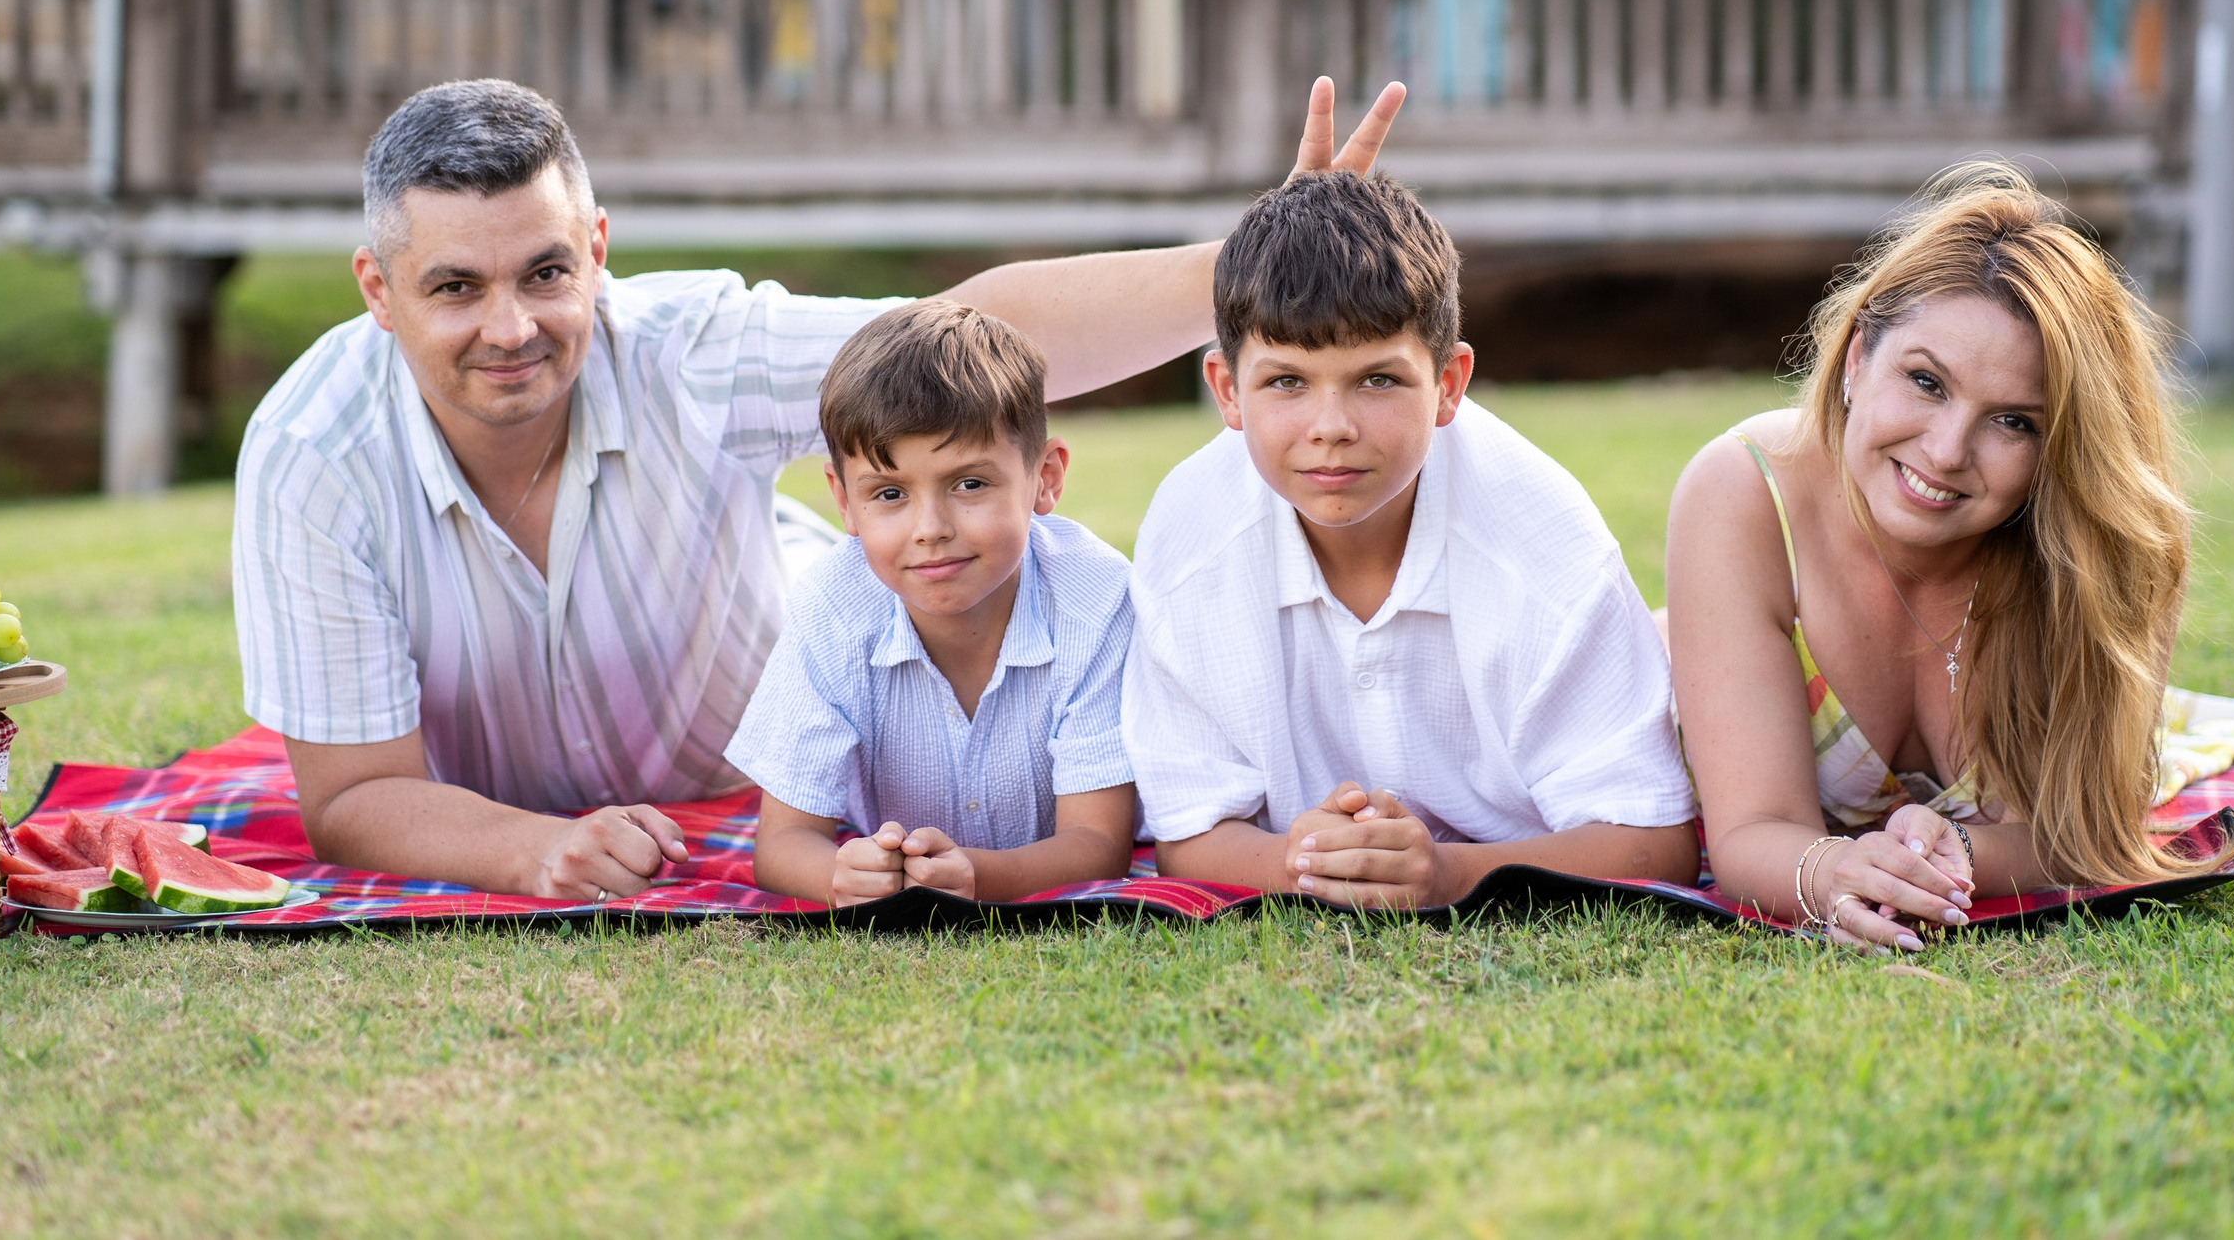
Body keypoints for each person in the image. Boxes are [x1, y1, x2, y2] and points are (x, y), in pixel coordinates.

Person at [233, 73, 1402, 902]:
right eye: (453, 288)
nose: (512, 327)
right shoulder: (309, 456)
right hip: (506, 796)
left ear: (596, 248)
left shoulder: (686, 348)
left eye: (545, 272)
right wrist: (527, 850)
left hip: (773, 713)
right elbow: (352, 795)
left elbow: (964, 344)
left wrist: (1250, 265)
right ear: (377, 291)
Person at [1664, 163, 2217, 953]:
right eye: (1926, 381)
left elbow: (2095, 828)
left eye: (2014, 422)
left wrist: (1963, 854)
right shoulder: (1746, 494)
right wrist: (1832, 874)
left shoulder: (2113, 547)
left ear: (2063, 444)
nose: (1949, 449)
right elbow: (1752, 828)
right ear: (1857, 360)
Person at [1122, 171, 1699, 908]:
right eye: (1287, 382)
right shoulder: (1190, 538)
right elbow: (1188, 831)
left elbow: (1656, 841)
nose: (1331, 425)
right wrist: (1297, 857)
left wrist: (1448, 874)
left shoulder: (1546, 547)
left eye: (1378, 380)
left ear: (1450, 382)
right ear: (1228, 391)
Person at [729, 302, 1134, 906]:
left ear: (1044, 478)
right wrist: (847, 877)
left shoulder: (1096, 599)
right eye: (889, 493)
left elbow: (1100, 843)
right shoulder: (833, 606)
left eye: (970, 484)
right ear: (843, 503)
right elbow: (785, 843)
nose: (930, 528)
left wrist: (972, 879)